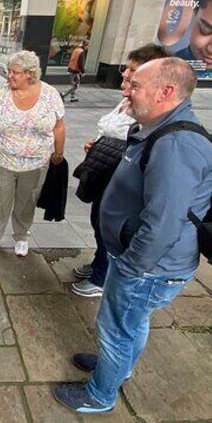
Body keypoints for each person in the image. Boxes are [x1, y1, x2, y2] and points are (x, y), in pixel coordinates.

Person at [52, 57, 212, 414]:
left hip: (146, 268)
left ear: (166, 92)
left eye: (136, 85)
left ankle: (99, 395)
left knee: (116, 329)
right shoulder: (159, 129)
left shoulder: (177, 145)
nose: (126, 89)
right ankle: (116, 369)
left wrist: (131, 267)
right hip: (141, 262)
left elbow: (164, 223)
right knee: (130, 323)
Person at [71, 44, 170, 297]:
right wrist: (97, 144)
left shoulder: (154, 112)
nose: (126, 74)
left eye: (133, 70)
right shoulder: (126, 101)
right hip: (106, 175)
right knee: (99, 223)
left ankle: (102, 278)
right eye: (127, 68)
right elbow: (114, 131)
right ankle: (99, 264)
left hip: (122, 182)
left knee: (110, 229)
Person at [0, 50, 66, 258]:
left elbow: (59, 127)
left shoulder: (49, 95)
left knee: (26, 202)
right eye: (8, 71)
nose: (9, 76)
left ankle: (21, 236)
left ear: (29, 73)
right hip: (4, 160)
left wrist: (59, 152)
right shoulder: (0, 95)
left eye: (15, 72)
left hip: (36, 163)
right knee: (0, 201)